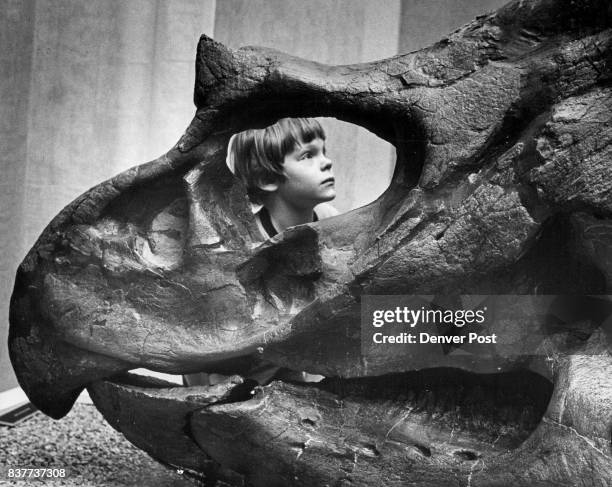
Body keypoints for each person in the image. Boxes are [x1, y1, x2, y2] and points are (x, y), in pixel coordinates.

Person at [226, 117, 339, 239]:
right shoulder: (251, 242)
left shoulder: (331, 218)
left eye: (323, 151)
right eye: (307, 156)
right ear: (267, 179)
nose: (328, 162)